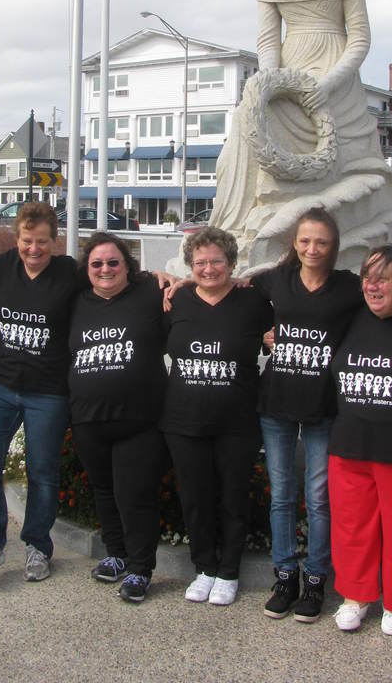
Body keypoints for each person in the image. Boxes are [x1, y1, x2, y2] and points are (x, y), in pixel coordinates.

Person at [211, 0, 392, 271]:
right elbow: (267, 37)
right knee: (245, 126)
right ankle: (233, 239)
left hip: (335, 69)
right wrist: (270, 87)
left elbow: (360, 36)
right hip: (287, 67)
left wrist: (324, 87)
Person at [250, 206, 363, 623]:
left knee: (319, 498)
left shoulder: (349, 287)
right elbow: (230, 292)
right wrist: (264, 340)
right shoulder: (275, 280)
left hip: (323, 407)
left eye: (321, 242)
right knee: (281, 495)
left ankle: (316, 577)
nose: (312, 248)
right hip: (276, 402)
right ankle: (285, 576)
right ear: (293, 244)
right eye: (305, 241)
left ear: (333, 247)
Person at [161, 227, 272, 606]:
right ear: (190, 265)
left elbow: (288, 320)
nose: (208, 269)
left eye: (216, 261)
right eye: (200, 262)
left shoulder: (254, 302)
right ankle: (204, 566)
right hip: (183, 420)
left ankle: (228, 570)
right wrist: (165, 279)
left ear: (231, 263)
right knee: (195, 496)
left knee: (232, 496)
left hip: (237, 421)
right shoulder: (176, 300)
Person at [0, 202, 76, 583]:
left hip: (48, 391)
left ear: (54, 240)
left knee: (42, 471)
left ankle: (36, 546)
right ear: (17, 239)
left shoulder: (70, 273)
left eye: (43, 242)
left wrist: (165, 278)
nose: (35, 249)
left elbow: (115, 279)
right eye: (27, 241)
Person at [328, 245, 392, 636]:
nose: (374, 286)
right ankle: (355, 596)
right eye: (369, 278)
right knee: (352, 527)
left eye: (384, 278)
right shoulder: (350, 318)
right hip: (349, 445)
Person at [68, 233, 168, 604]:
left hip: (139, 421)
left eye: (113, 262)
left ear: (128, 266)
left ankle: (141, 569)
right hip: (88, 419)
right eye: (97, 264)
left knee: (136, 495)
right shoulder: (75, 302)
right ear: (87, 270)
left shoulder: (151, 295)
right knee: (104, 491)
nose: (105, 269)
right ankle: (117, 554)